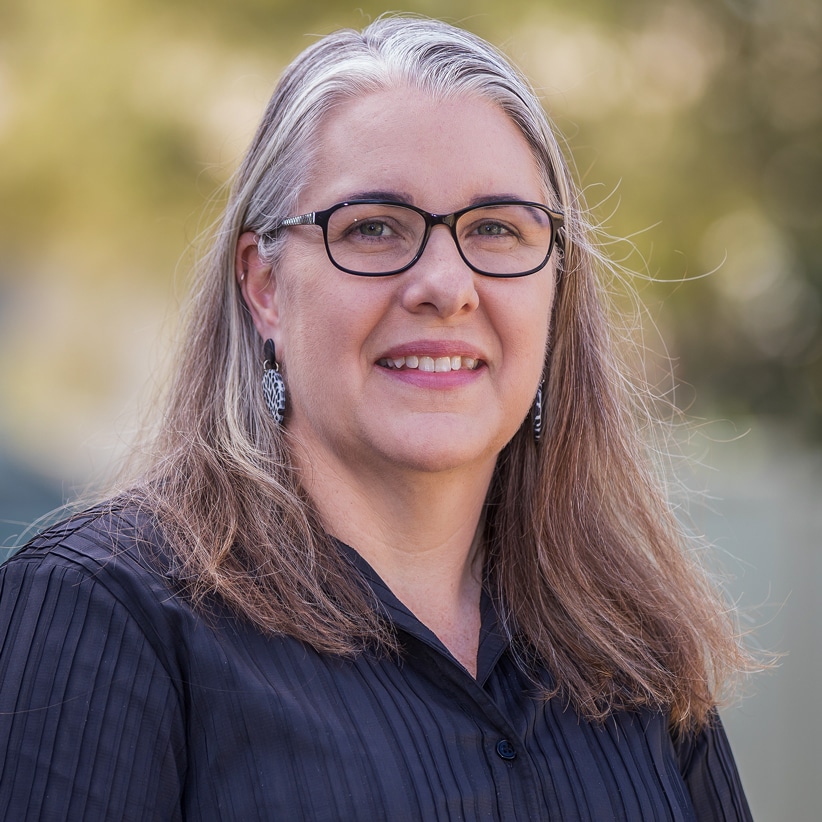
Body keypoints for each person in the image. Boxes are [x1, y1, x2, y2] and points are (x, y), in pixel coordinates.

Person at [0, 15, 756, 820]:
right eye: (373, 228)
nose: (445, 283)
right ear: (264, 287)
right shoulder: (105, 612)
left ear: (556, 288)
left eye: (496, 229)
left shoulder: (628, 651)